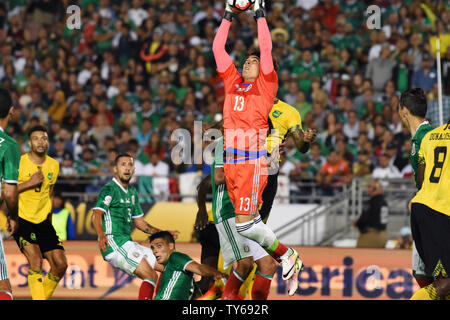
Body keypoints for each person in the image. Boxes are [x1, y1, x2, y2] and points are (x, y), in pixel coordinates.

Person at [212, 0, 302, 298]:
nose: (248, 62)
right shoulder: (232, 83)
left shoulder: (266, 85)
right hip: (232, 162)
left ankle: (287, 255)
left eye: (253, 61)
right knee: (246, 227)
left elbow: (265, 48)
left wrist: (259, 15)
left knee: (248, 223)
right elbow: (217, 49)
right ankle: (285, 255)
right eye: (246, 60)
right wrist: (228, 14)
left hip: (251, 159)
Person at [196, 136, 278, 300]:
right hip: (226, 219)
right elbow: (215, 180)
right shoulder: (227, 146)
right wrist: (202, 210)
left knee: (266, 265)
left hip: (237, 219)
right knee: (237, 272)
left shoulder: (253, 154)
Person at [92, 153, 179, 300]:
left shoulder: (132, 192)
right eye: (123, 165)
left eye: (130, 165)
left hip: (128, 243)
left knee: (168, 265)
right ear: (115, 169)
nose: (127, 168)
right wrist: (101, 234)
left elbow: (140, 224)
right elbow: (96, 214)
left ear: (134, 169)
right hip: (114, 243)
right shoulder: (110, 189)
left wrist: (164, 233)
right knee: (150, 275)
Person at [14, 125, 67, 300]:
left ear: (48, 142)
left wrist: (49, 220)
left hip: (43, 221)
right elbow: (5, 192)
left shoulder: (53, 165)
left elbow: (50, 194)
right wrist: (29, 183)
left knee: (60, 265)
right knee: (36, 260)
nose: (41, 142)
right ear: (29, 142)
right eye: (36, 138)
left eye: (44, 138)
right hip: (22, 219)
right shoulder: (19, 163)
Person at [398, 87, 435, 288]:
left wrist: (422, 197)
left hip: (432, 211)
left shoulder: (427, 136)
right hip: (426, 207)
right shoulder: (420, 136)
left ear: (404, 111)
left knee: (426, 273)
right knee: (421, 272)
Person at [410, 120, 450, 300]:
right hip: (441, 212)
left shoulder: (430, 136)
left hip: (422, 207)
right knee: (444, 284)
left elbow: (421, 177)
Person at [150, 231, 226, 300]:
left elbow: (199, 268)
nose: (155, 251)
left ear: (171, 246)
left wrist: (216, 273)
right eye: (152, 248)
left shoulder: (176, 257)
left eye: (159, 246)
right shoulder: (169, 269)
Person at [0, 88, 21, 300]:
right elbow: (10, 192)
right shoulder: (9, 145)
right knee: (3, 284)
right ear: (11, 111)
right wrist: (13, 216)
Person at [352, 179, 389, 248]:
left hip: (372, 235)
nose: (368, 189)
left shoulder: (371, 203)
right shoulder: (384, 202)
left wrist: (357, 223)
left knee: (359, 254)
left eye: (369, 187)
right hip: (383, 234)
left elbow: (364, 219)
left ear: (375, 189)